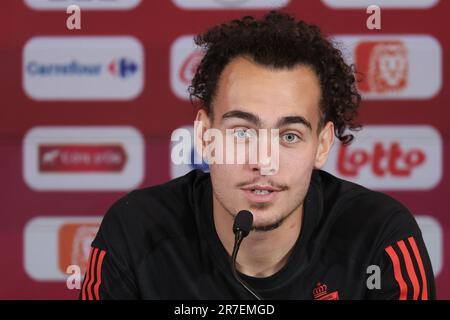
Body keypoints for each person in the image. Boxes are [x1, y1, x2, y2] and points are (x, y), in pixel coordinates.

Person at [80, 11, 435, 300]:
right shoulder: (135, 231)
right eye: (242, 132)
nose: (264, 160)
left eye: (290, 135)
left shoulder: (380, 237)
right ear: (206, 136)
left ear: (323, 145)